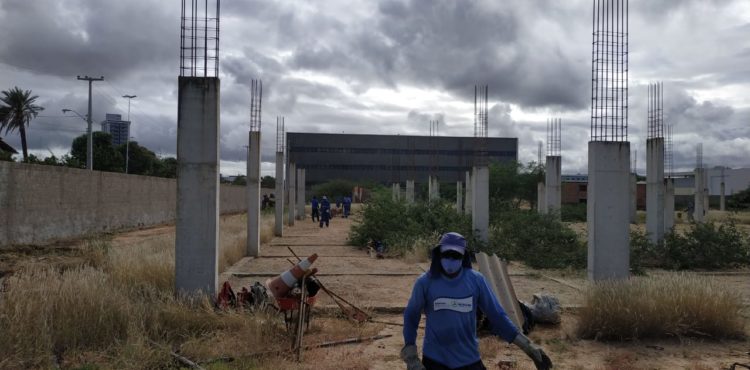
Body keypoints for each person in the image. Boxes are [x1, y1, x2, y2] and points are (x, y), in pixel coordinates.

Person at [401, 232, 552, 370]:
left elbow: (497, 316)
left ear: (464, 257)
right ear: (438, 254)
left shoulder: (476, 281)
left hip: (469, 359)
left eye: (456, 255)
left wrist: (528, 347)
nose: (450, 260)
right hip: (435, 359)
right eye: (446, 254)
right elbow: (411, 316)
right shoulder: (425, 282)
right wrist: (411, 356)